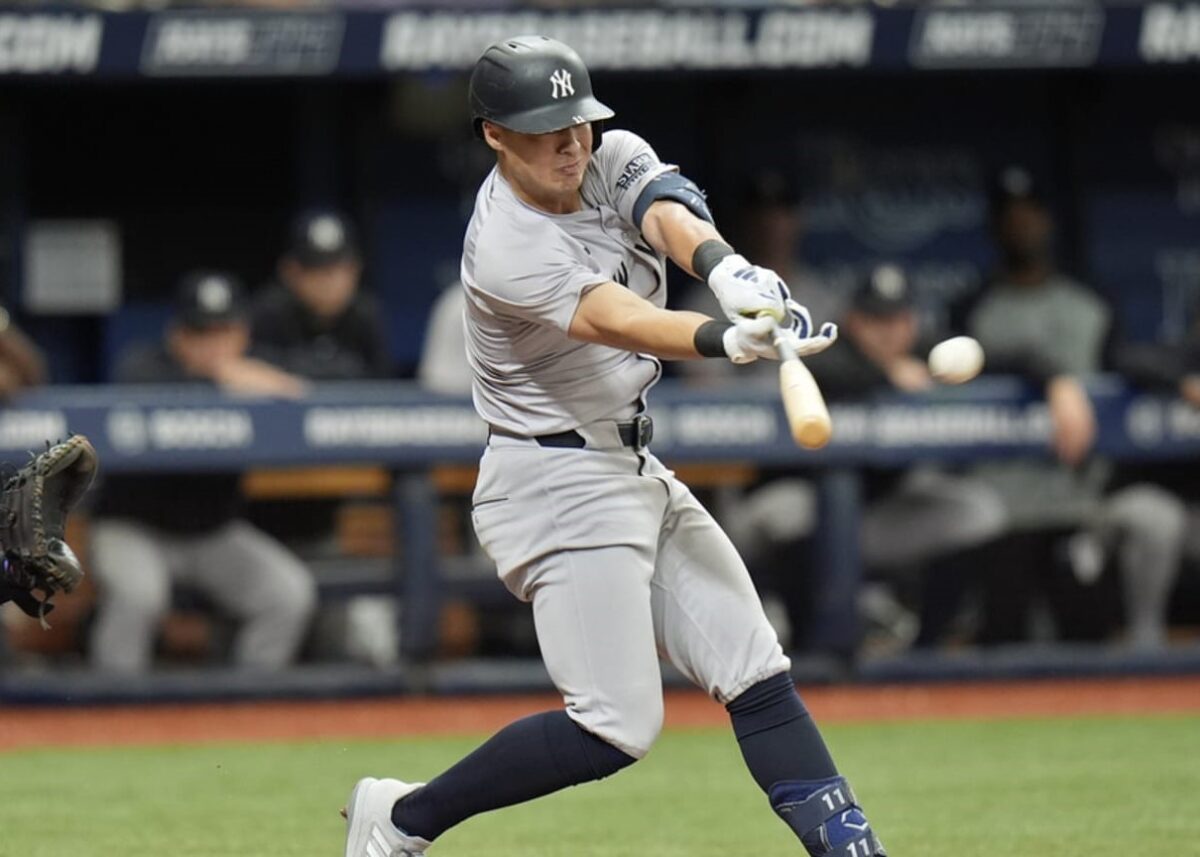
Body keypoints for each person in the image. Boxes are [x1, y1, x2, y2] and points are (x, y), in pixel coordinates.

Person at [342, 35, 886, 857]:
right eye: (545, 127)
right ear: (494, 133)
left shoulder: (603, 151)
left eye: (579, 121)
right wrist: (718, 337)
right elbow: (615, 318)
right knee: (615, 725)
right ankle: (401, 820)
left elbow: (663, 206)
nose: (571, 142)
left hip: (627, 461)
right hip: (551, 476)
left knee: (754, 667)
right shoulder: (503, 245)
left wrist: (729, 268)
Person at [88, 272, 316, 673]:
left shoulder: (255, 372)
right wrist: (221, 380)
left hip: (213, 532)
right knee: (139, 595)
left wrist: (273, 383)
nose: (212, 344)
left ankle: (248, 710)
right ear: (176, 334)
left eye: (223, 331)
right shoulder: (144, 365)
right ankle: (113, 712)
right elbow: (134, 386)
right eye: (200, 332)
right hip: (133, 528)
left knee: (288, 592)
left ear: (243, 334)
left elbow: (317, 385)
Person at [806, 264, 1008, 648]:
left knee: (977, 509)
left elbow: (999, 356)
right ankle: (810, 646)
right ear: (851, 321)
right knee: (787, 518)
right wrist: (885, 373)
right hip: (817, 512)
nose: (886, 331)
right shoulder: (831, 351)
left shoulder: (923, 350)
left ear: (912, 321)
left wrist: (1057, 381)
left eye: (896, 319)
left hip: (886, 514)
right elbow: (821, 367)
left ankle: (927, 644)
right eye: (873, 319)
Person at [250, 209, 391, 381]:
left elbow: (383, 386)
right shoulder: (268, 314)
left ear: (356, 269)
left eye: (338, 270)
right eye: (316, 270)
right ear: (290, 271)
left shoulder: (365, 314)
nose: (329, 282)